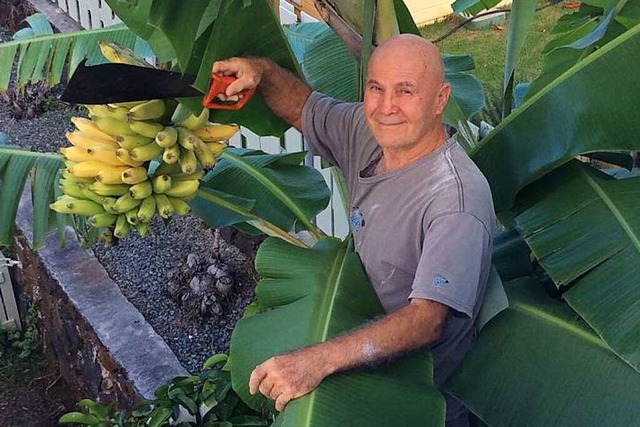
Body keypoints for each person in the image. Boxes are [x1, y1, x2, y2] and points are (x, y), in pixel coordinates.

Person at [213, 33, 495, 426]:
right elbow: (303, 107)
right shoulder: (367, 132)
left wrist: (317, 359)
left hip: (424, 403)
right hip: (362, 364)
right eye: (376, 88)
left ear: (440, 99)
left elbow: (426, 320)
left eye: (406, 91)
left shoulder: (454, 199)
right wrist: (261, 71)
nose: (386, 107)